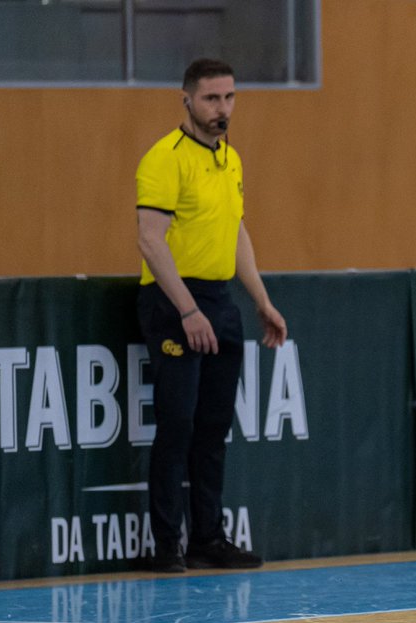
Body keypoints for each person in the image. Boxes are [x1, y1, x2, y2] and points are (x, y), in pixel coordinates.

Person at [135, 58, 287, 573]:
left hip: (220, 301)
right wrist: (187, 310)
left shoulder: (231, 159)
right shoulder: (164, 159)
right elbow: (150, 243)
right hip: (174, 300)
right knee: (176, 425)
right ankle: (165, 546)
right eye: (211, 99)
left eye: (229, 98)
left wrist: (261, 300)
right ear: (187, 101)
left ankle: (207, 538)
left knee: (213, 427)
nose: (222, 109)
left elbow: (236, 233)